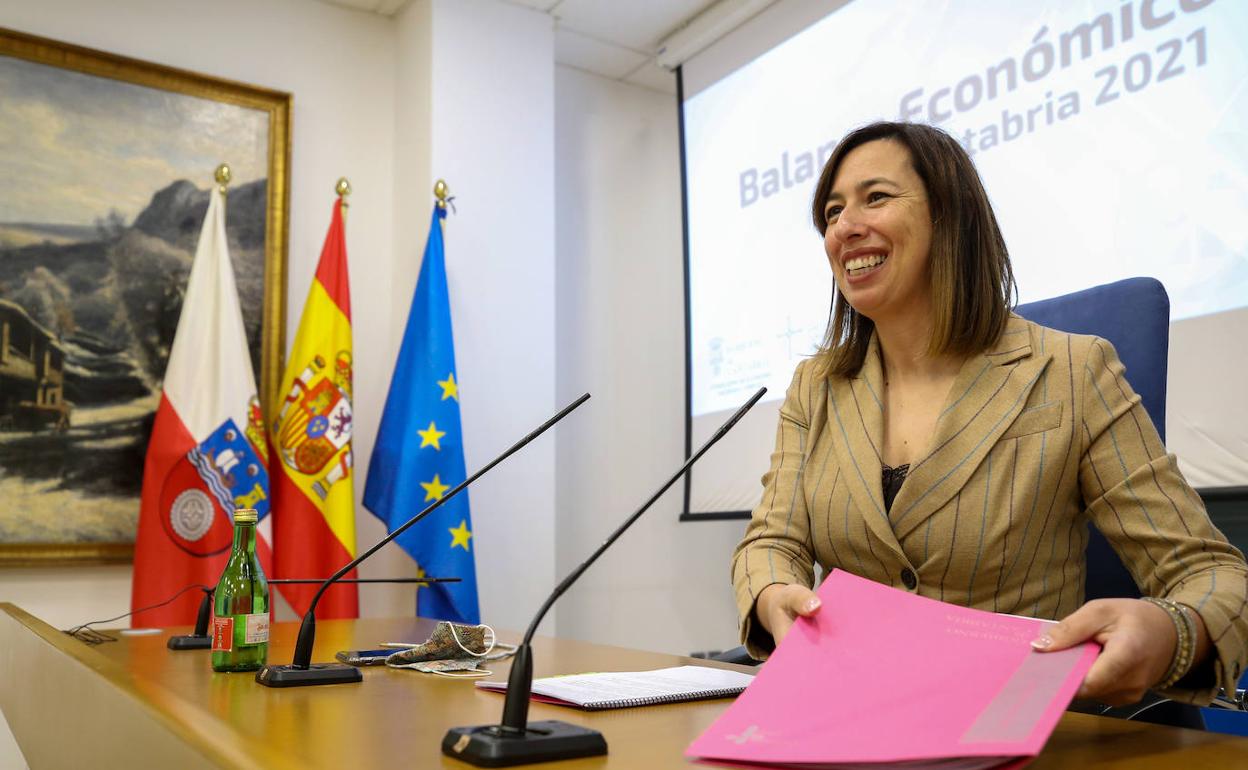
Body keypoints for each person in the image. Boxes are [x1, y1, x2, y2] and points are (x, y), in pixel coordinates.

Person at [731, 121, 1248, 707]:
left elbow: (1213, 573)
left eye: (875, 197)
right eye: (831, 212)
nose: (843, 228)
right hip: (851, 713)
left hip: (1017, 721)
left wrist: (1173, 634)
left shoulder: (1073, 372)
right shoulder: (816, 387)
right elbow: (772, 540)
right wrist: (774, 590)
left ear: (949, 217)